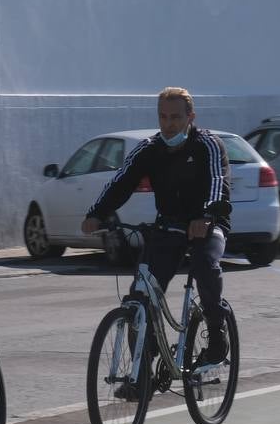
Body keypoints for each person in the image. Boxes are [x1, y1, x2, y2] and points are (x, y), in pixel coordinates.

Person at [80, 86, 232, 366]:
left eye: (175, 117)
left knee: (204, 267)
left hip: (208, 224)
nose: (169, 124)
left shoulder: (208, 145)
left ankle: (216, 334)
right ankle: (142, 371)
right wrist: (96, 213)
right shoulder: (150, 149)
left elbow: (216, 182)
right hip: (170, 226)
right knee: (140, 294)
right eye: (163, 117)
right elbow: (121, 182)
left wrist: (207, 216)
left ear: (190, 117)